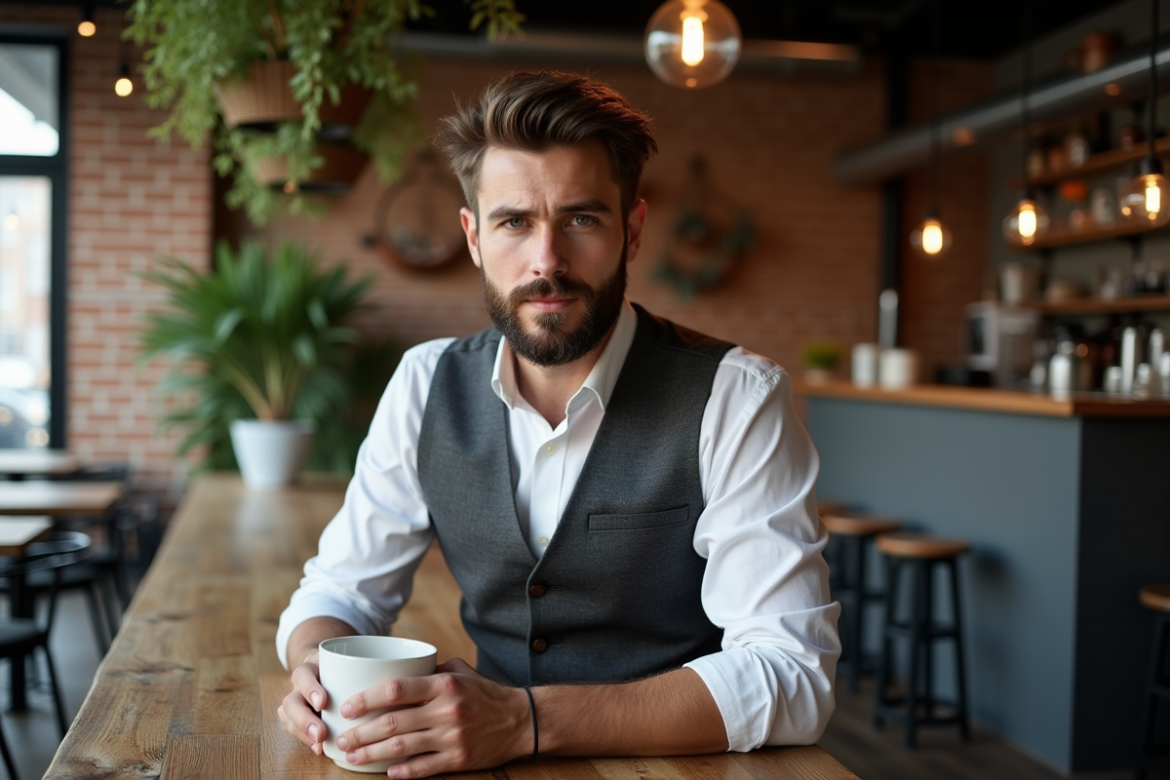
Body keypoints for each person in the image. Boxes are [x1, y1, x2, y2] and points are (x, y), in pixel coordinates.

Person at [276, 70, 840, 779]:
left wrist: (525, 720)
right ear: (474, 236)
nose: (547, 261)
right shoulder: (425, 383)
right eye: (514, 222)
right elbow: (342, 591)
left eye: (581, 219)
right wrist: (314, 666)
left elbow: (793, 674)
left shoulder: (737, 397)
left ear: (632, 231)